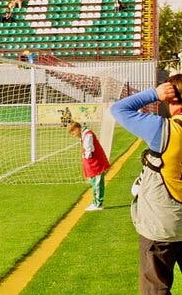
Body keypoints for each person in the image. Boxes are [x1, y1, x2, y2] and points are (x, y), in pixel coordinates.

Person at [110, 74, 182, 292]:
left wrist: (154, 94)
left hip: (162, 225)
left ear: (173, 101)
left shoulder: (164, 130)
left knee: (156, 288)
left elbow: (119, 109)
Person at [67, 121, 110, 211]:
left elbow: (89, 149)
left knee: (97, 184)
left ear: (77, 129)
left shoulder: (88, 135)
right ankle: (95, 202)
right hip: (91, 164)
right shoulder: (84, 135)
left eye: (73, 132)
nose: (73, 135)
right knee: (94, 183)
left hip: (95, 163)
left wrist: (86, 156)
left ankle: (98, 204)